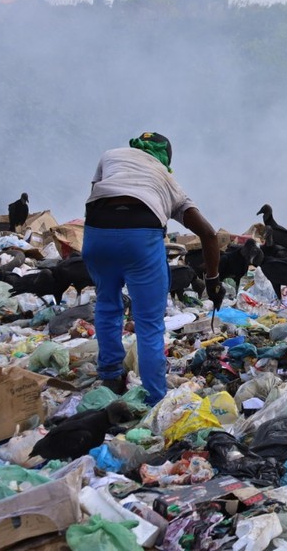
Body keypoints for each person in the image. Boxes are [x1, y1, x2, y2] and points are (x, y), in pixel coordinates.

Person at [82, 132, 224, 406]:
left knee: (108, 303)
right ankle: (155, 398)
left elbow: (97, 195)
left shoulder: (110, 155)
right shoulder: (167, 180)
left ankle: (110, 376)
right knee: (148, 322)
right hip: (140, 236)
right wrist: (213, 278)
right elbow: (208, 233)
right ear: (166, 158)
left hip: (96, 233)